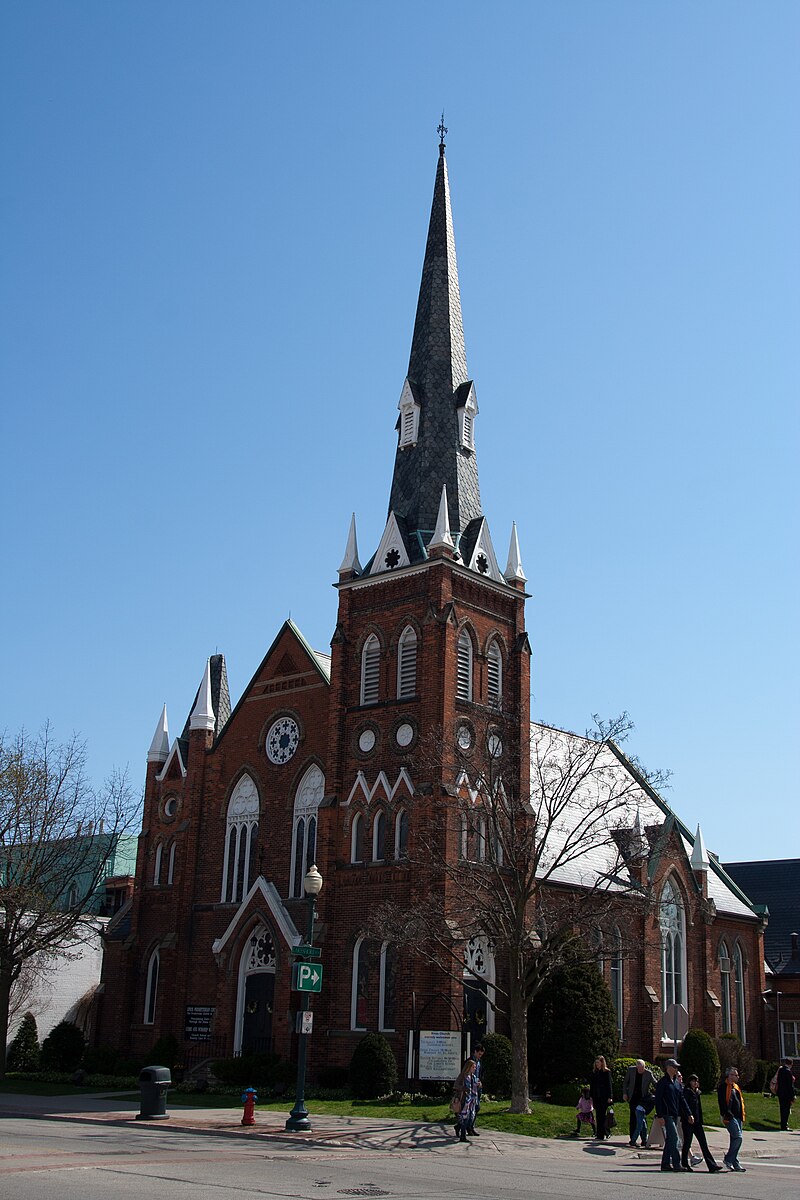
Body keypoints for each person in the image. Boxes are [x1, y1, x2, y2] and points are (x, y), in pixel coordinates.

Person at [654, 1057, 692, 1172]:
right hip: (666, 1114)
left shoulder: (676, 1083)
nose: (676, 1069)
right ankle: (676, 1164)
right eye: (674, 1067)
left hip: (675, 1114)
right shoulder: (663, 1083)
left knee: (670, 1139)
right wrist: (660, 1115)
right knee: (674, 1138)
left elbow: (682, 1099)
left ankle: (665, 1164)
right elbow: (658, 1100)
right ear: (668, 1068)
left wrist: (689, 1113)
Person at [681, 1074, 723, 1172]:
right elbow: (684, 1106)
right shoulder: (686, 1092)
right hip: (688, 1122)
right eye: (693, 1081)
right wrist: (688, 1116)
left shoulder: (697, 1093)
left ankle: (712, 1165)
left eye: (697, 1081)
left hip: (697, 1122)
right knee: (687, 1143)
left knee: (703, 1144)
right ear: (689, 1082)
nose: (695, 1083)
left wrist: (700, 1121)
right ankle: (684, 1164)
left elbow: (699, 1109)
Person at [717, 1065, 746, 1171]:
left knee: (735, 1140)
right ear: (729, 1075)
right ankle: (729, 1158)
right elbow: (722, 1102)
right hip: (729, 1117)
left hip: (738, 1117)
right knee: (738, 1137)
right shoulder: (723, 1087)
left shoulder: (736, 1087)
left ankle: (735, 1162)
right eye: (735, 1075)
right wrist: (726, 1114)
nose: (737, 1077)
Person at [623, 1058, 655, 1147]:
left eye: (643, 1068)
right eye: (639, 1069)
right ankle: (632, 1139)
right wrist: (625, 1093)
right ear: (636, 1067)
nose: (641, 1070)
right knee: (633, 1118)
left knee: (642, 1119)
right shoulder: (631, 1070)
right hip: (633, 1097)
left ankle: (643, 1139)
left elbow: (655, 1083)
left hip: (642, 1099)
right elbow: (626, 1082)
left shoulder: (648, 1073)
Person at [451, 1058, 477, 1143]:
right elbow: (456, 1085)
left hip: (470, 1100)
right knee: (464, 1117)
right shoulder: (463, 1076)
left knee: (468, 1117)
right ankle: (463, 1136)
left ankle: (458, 1127)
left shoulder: (473, 1077)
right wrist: (464, 1089)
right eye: (473, 1067)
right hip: (463, 1099)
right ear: (469, 1067)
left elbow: (474, 1086)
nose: (475, 1069)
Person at [590, 1055, 613, 1140]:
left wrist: (610, 1096)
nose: (597, 1064)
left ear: (602, 1063)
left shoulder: (606, 1072)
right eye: (596, 1063)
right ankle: (599, 1134)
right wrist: (591, 1096)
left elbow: (609, 1085)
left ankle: (604, 1133)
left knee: (603, 1116)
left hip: (604, 1097)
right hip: (596, 1097)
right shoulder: (594, 1073)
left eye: (598, 1062)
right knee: (598, 1115)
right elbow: (592, 1085)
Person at [468, 1043, 485, 1136]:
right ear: (475, 1052)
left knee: (476, 1108)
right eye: (479, 1054)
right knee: (471, 1108)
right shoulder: (470, 1061)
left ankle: (470, 1126)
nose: (480, 1056)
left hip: (478, 1087)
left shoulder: (479, 1062)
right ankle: (468, 1127)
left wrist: (480, 1082)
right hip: (471, 1088)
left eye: (481, 1054)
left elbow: (480, 1073)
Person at [776, 1057, 797, 1131]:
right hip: (787, 1094)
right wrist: (793, 1095)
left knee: (782, 1109)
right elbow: (790, 1086)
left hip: (780, 1093)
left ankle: (783, 1124)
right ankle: (784, 1125)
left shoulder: (781, 1070)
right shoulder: (788, 1072)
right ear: (791, 1064)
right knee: (786, 1110)